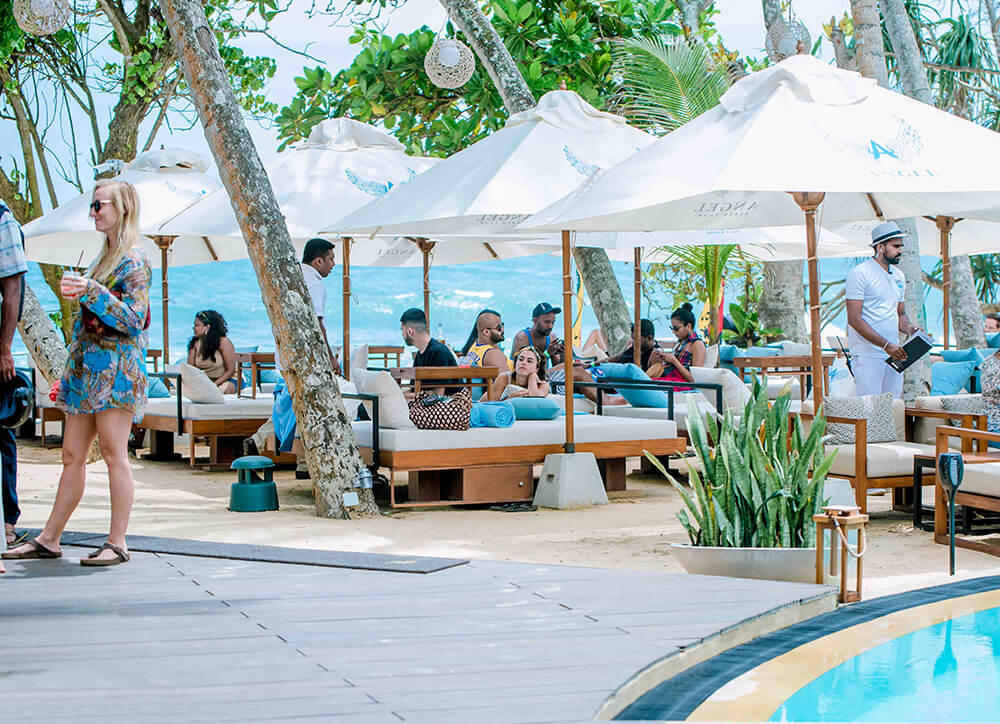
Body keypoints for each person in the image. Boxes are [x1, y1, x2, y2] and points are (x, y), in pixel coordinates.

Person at [4, 179, 151, 566]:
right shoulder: (104, 258)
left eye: (99, 205)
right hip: (88, 374)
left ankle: (118, 542)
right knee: (72, 455)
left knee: (115, 454)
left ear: (122, 207)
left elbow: (134, 319)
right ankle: (50, 539)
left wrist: (91, 291)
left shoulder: (134, 260)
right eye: (92, 205)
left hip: (117, 375)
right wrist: (69, 375)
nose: (93, 212)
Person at [845, 221, 923, 399]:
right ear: (880, 247)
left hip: (895, 354)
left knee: (893, 406)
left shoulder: (899, 276)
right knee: (869, 407)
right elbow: (854, 319)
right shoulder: (860, 273)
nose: (900, 251)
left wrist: (910, 329)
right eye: (896, 246)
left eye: (901, 246)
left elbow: (900, 314)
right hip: (868, 355)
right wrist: (886, 345)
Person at [0, 200, 27, 557]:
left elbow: (12, 288)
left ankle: (7, 522)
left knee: (1, 430)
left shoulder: (2, 219)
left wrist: (5, 348)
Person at [301, 237, 341, 375]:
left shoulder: (294, 276)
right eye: (331, 259)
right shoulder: (315, 285)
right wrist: (330, 358)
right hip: (307, 358)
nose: (333, 264)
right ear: (318, 261)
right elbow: (317, 325)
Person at [400, 307, 457, 396]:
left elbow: (438, 395)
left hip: (449, 403)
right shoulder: (420, 355)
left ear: (410, 331)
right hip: (428, 402)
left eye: (402, 330)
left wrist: (408, 396)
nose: (402, 335)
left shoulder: (438, 352)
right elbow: (413, 390)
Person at [649, 303, 706, 385]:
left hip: (681, 384)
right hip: (672, 380)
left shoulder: (697, 345)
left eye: (676, 328)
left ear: (689, 326)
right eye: (672, 328)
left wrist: (674, 361)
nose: (673, 332)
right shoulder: (680, 343)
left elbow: (695, 380)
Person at [187, 310, 239, 393]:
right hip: (206, 382)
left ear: (207, 327)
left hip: (228, 380)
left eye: (197, 325)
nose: (194, 328)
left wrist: (214, 385)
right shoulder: (195, 344)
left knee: (223, 390)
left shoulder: (223, 342)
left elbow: (231, 370)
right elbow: (191, 370)